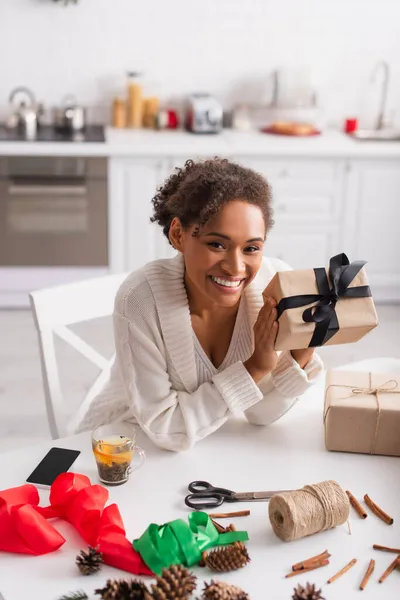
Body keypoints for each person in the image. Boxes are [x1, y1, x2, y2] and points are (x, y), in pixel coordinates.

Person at [73, 158, 323, 450]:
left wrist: (300, 355)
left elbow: (260, 415)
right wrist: (255, 367)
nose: (236, 267)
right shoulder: (141, 299)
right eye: (217, 244)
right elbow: (165, 429)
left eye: (251, 248)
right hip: (122, 446)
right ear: (178, 234)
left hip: (208, 443)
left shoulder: (272, 286)